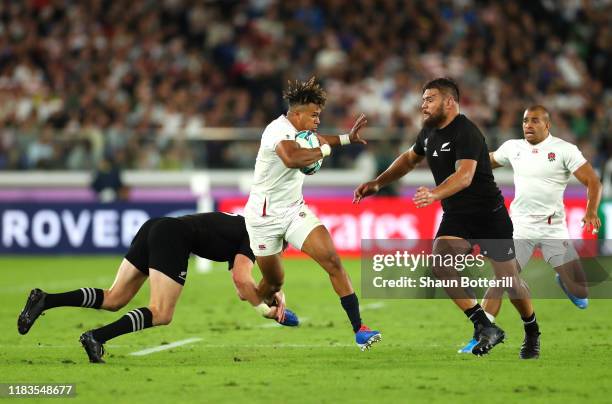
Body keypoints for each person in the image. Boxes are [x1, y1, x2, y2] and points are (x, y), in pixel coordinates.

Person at [354, 78, 539, 358]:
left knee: (509, 282)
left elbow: (464, 176)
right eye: (423, 100)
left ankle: (532, 331)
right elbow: (408, 159)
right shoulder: (428, 132)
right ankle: (483, 325)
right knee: (440, 263)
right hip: (457, 217)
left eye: (429, 99)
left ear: (449, 102)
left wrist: (435, 194)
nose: (423, 105)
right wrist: (378, 183)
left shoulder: (467, 132)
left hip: (490, 216)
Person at [17, 212, 298, 363]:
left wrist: (267, 297)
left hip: (157, 226)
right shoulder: (256, 236)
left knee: (115, 298)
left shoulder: (243, 227)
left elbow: (242, 287)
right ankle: (96, 337)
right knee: (162, 312)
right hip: (172, 236)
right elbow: (241, 280)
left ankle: (45, 300)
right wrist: (267, 308)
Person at [244, 77, 381, 351]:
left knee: (332, 260)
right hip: (263, 218)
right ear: (296, 114)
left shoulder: (302, 132)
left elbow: (316, 140)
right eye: (314, 115)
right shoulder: (276, 131)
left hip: (295, 211)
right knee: (273, 282)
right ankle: (261, 306)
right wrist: (326, 151)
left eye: (319, 115)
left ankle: (360, 329)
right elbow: (292, 158)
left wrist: (346, 139)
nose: (318, 120)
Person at [458, 105, 602, 353]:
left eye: (535, 121)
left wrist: (590, 211)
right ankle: (481, 334)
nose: (528, 125)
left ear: (547, 125)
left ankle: (566, 281)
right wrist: (462, 168)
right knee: (503, 278)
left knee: (581, 295)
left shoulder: (564, 150)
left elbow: (593, 180)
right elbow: (483, 163)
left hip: (553, 228)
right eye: (525, 120)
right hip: (520, 227)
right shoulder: (513, 148)